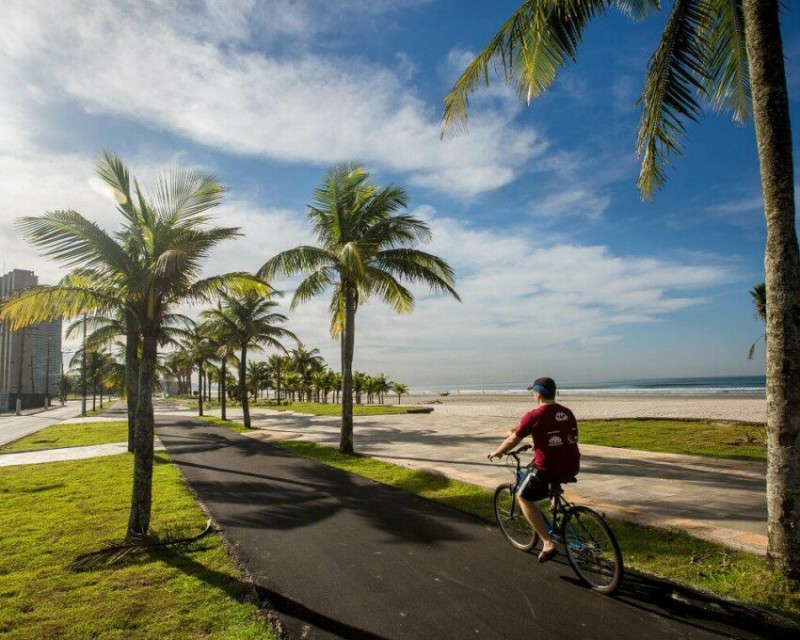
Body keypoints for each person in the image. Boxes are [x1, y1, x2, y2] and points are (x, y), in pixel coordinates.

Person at [487, 376, 580, 562]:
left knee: (523, 496)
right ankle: (555, 503)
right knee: (550, 480)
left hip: (547, 468)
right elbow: (563, 436)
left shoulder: (534, 415)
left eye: (533, 391)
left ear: (538, 394)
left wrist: (498, 452)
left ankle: (548, 543)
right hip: (572, 465)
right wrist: (537, 442)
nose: (533, 394)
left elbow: (513, 440)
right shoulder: (567, 412)